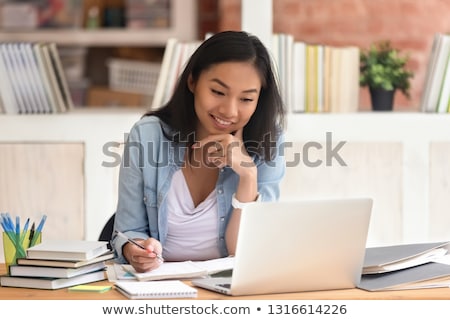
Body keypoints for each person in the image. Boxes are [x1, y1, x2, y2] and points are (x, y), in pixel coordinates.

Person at [111, 30, 286, 273]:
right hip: (159, 289)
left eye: (246, 99)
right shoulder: (147, 135)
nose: (229, 111)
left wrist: (248, 175)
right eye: (218, 92)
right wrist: (137, 250)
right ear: (192, 81)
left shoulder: (269, 142)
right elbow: (127, 231)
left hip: (226, 290)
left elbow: (246, 253)